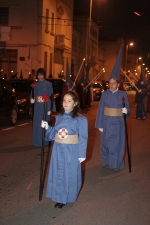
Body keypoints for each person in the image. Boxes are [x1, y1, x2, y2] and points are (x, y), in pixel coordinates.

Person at [41, 91, 88, 208]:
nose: (65, 103)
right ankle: (58, 197)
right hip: (58, 149)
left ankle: (67, 197)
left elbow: (83, 137)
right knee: (58, 173)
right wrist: (48, 127)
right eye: (64, 100)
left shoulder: (80, 119)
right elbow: (54, 134)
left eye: (69, 101)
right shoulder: (58, 117)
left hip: (71, 151)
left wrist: (82, 153)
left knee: (68, 174)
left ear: (75, 103)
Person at [95, 46, 130, 171]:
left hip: (118, 123)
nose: (111, 85)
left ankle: (116, 164)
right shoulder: (105, 94)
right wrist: (99, 124)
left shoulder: (123, 94)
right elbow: (100, 109)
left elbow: (127, 110)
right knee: (105, 144)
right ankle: (107, 162)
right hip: (106, 121)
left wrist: (126, 111)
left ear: (118, 83)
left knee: (116, 144)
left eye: (113, 83)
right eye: (109, 83)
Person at [30, 68, 54, 147]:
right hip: (37, 106)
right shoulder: (35, 84)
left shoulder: (48, 84)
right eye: (38, 74)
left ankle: (46, 141)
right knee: (37, 123)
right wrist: (32, 99)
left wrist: (51, 108)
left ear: (44, 75)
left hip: (45, 106)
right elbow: (32, 94)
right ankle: (36, 141)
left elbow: (51, 96)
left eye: (41, 74)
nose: (39, 76)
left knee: (45, 123)